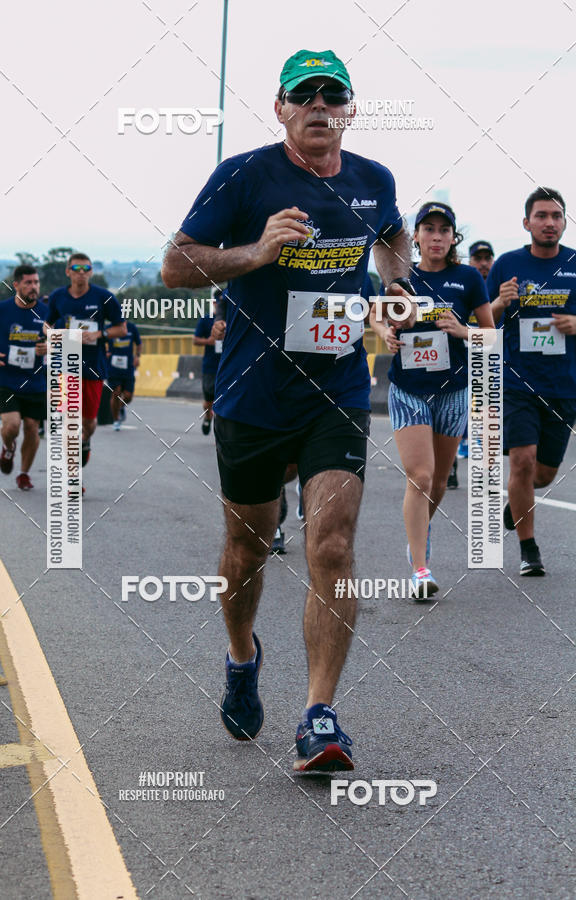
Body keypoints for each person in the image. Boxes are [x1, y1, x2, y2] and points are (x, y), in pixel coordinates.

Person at [162, 48, 416, 772]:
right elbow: (176, 266)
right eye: (304, 95)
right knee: (247, 548)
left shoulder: (374, 180)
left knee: (331, 546)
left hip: (334, 389)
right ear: (280, 108)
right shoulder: (244, 174)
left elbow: (392, 237)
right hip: (251, 392)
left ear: (349, 110)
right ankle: (242, 655)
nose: (319, 107)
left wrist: (395, 287)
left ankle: (318, 716)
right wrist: (258, 250)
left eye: (332, 96)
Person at [373, 202, 494, 596]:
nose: (437, 236)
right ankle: (421, 569)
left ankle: (417, 537)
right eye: (429, 229)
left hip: (454, 390)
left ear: (453, 237)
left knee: (439, 482)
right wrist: (385, 334)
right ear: (417, 237)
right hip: (409, 388)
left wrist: (462, 330)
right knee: (420, 476)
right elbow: (378, 314)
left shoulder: (469, 279)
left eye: (444, 230)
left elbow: (490, 336)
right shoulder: (401, 277)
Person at [488, 187, 576, 576]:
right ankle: (529, 550)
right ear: (527, 223)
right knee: (521, 462)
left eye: (556, 216)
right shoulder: (507, 264)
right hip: (516, 383)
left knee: (543, 474)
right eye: (541, 216)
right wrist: (499, 304)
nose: (549, 223)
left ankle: (516, 504)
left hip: (563, 385)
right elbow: (479, 324)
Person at [45, 253, 125, 488]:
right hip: (67, 366)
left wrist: (99, 334)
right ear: (68, 272)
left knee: (88, 423)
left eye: (85, 268)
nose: (81, 272)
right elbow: (48, 324)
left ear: (90, 271)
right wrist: (53, 335)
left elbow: (121, 328)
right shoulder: (58, 297)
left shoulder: (104, 297)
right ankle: (73, 478)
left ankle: (86, 442)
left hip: (93, 368)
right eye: (76, 268)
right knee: (70, 421)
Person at [0, 266, 48, 489]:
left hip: (37, 380)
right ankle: (8, 448)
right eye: (28, 283)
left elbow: (62, 339)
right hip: (7, 378)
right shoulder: (1, 310)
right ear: (16, 285)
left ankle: (24, 473)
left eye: (36, 282)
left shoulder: (47, 312)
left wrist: (50, 346)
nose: (33, 287)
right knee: (12, 426)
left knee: (31, 427)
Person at [448, 239, 496, 486]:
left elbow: (496, 323)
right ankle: (451, 465)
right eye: (479, 258)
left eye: (488, 258)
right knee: (457, 411)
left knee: (488, 412)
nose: (484, 263)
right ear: (470, 260)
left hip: (488, 356)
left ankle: (487, 472)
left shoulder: (497, 286)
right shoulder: (462, 282)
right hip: (459, 357)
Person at [193, 290, 222, 435]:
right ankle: (207, 416)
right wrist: (209, 341)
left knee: (223, 400)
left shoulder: (233, 319)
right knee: (208, 400)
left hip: (228, 365)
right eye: (218, 303)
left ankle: (220, 429)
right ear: (213, 303)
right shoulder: (206, 320)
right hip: (210, 366)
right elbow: (195, 340)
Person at [106, 320, 141, 430]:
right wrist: (105, 353)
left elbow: (139, 343)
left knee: (128, 396)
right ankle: (116, 420)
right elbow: (101, 343)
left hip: (128, 366)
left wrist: (137, 356)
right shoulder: (109, 328)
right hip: (112, 366)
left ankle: (119, 408)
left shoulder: (131, 327)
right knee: (116, 392)